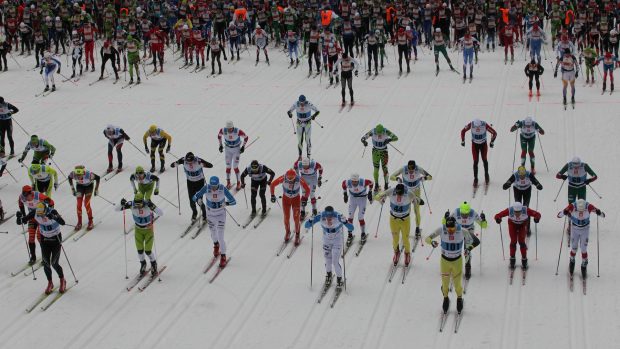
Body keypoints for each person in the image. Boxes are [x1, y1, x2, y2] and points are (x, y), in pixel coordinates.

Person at [17, 203, 67, 294]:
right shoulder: (35, 213)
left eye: (42, 213)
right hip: (45, 241)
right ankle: (50, 283)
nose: (40, 215)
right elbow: (22, 221)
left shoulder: (52, 211)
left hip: (56, 240)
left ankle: (62, 280)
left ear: (46, 210)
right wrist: (19, 218)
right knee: (46, 263)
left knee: (54, 263)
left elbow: (63, 222)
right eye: (39, 214)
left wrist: (54, 217)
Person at [425, 216, 469, 314]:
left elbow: (474, 241)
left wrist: (467, 249)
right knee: (445, 285)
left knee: (457, 285)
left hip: (457, 261)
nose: (450, 230)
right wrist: (432, 242)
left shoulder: (462, 230)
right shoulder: (441, 229)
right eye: (448, 228)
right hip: (444, 261)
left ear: (455, 225)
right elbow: (427, 239)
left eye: (452, 228)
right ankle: (445, 298)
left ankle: (459, 299)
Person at [304, 206, 354, 290]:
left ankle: (339, 278)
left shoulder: (338, 216)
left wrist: (345, 221)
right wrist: (310, 220)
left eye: (330, 217)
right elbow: (306, 225)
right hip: (326, 241)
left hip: (337, 241)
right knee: (327, 260)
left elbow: (351, 228)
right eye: (327, 217)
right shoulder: (320, 216)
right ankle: (329, 275)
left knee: (335, 261)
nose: (329, 219)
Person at [192, 176, 236, 267]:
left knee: (220, 237)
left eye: (215, 186)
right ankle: (216, 245)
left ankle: (223, 256)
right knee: (213, 234)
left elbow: (233, 201)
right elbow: (194, 196)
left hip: (220, 215)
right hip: (210, 214)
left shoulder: (222, 188)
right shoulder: (206, 187)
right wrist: (198, 199)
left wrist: (226, 203)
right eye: (212, 186)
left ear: (218, 184)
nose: (213, 188)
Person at [116, 193, 163, 277]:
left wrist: (153, 206)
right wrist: (121, 203)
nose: (138, 206)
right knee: (140, 250)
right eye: (136, 204)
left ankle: (153, 263)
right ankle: (143, 264)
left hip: (148, 230)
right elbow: (116, 209)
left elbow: (161, 213)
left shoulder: (147, 205)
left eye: (139, 204)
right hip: (138, 230)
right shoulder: (131, 204)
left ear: (143, 201)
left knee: (148, 250)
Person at [557, 199, 605, 277]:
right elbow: (559, 215)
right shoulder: (572, 206)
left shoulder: (589, 206)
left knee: (583, 248)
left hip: (585, 230)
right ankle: (572, 260)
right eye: (579, 211)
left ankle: (584, 264)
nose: (581, 212)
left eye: (583, 210)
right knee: (574, 247)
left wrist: (599, 212)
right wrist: (564, 212)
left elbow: (602, 214)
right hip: (575, 229)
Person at [375, 183, 418, 267]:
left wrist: (415, 201)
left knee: (405, 239)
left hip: (405, 220)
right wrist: (381, 199)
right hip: (393, 219)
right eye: (398, 193)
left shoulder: (409, 193)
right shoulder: (391, 191)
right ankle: (396, 252)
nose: (399, 195)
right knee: (395, 239)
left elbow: (416, 200)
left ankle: (407, 254)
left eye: (401, 194)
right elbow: (377, 196)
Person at [389, 160, 432, 237]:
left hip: (416, 191)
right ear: (408, 167)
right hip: (406, 193)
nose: (411, 171)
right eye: (410, 169)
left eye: (413, 169)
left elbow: (430, 177)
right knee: (407, 211)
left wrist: (424, 178)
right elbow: (391, 176)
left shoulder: (418, 168)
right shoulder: (403, 169)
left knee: (416, 210)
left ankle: (417, 228)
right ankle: (406, 228)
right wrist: (397, 179)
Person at [444, 202, 486, 279]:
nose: (464, 216)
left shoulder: (473, 213)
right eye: (463, 214)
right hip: (458, 231)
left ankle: (467, 266)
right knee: (454, 248)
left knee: (467, 249)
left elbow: (483, 225)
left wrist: (483, 219)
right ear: (460, 211)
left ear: (469, 211)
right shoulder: (456, 212)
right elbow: (445, 223)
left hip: (469, 231)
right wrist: (446, 217)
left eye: (466, 214)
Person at [494, 202, 541, 270]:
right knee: (513, 241)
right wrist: (498, 219)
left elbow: (537, 214)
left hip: (523, 225)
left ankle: (524, 259)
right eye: (515, 212)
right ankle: (512, 259)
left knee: (521, 242)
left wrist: (537, 218)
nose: (517, 214)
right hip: (512, 225)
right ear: (513, 210)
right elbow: (498, 215)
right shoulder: (510, 210)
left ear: (522, 209)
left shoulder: (526, 210)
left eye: (519, 212)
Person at [270, 169, 310, 246]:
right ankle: (287, 232)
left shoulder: (299, 179)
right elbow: (272, 185)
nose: (291, 180)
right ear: (287, 176)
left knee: (296, 218)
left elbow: (307, 189)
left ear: (295, 176)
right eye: (289, 178)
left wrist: (305, 198)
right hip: (286, 200)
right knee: (286, 217)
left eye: (292, 178)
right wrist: (272, 195)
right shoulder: (283, 178)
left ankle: (297, 234)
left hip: (296, 200)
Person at [171, 152, 213, 222]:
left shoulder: (198, 160)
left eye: (191, 161)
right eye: (188, 161)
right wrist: (175, 164)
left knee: (199, 201)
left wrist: (203, 164)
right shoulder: (183, 160)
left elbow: (210, 165)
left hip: (199, 182)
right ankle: (194, 213)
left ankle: (205, 214)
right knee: (191, 201)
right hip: (190, 183)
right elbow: (172, 165)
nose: (189, 163)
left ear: (193, 159)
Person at [18, 186, 54, 265]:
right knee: (31, 238)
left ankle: (45, 257)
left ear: (31, 193)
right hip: (32, 218)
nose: (26, 198)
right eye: (24, 195)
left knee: (39, 238)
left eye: (27, 196)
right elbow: (20, 204)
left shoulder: (38, 196)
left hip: (42, 218)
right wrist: (24, 215)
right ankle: (33, 257)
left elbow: (51, 202)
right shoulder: (22, 197)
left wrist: (50, 212)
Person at [361, 124, 399, 192]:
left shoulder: (386, 131)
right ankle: (376, 185)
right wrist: (364, 142)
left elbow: (396, 138)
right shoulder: (372, 131)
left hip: (384, 152)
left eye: (380, 133)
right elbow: (363, 138)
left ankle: (386, 185)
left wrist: (389, 140)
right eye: (377, 133)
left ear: (382, 130)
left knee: (385, 169)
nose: (379, 134)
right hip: (375, 152)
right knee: (376, 169)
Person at [460, 119, 497, 186]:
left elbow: (494, 133)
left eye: (479, 127)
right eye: (476, 127)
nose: (477, 128)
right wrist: (463, 140)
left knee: (484, 160)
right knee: (475, 161)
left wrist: (492, 142)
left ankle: (486, 175)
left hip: (483, 145)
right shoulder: (471, 124)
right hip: (475, 145)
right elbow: (463, 131)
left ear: (481, 124)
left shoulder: (484, 125)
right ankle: (475, 179)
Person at [342, 173, 373, 244]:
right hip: (353, 199)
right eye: (353, 181)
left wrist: (370, 192)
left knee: (360, 217)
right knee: (350, 216)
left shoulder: (363, 182)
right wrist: (345, 194)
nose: (354, 182)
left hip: (362, 199)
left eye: (356, 181)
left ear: (358, 180)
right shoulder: (348, 182)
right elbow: (343, 184)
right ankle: (350, 234)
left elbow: (371, 182)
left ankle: (363, 233)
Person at [67, 165, 100, 230]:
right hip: (79, 187)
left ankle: (90, 222)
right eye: (77, 175)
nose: (78, 176)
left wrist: (96, 189)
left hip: (89, 187)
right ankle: (79, 222)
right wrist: (72, 188)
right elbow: (69, 177)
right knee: (79, 204)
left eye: (80, 175)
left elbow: (98, 178)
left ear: (83, 173)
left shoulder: (89, 175)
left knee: (86, 204)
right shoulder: (73, 174)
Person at [218, 121, 248, 190]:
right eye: (228, 128)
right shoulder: (223, 130)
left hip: (236, 149)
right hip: (228, 149)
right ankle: (228, 182)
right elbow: (219, 136)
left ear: (233, 127)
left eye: (230, 128)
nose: (229, 130)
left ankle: (238, 182)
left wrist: (243, 146)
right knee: (228, 166)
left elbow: (246, 137)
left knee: (235, 166)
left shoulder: (238, 131)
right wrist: (220, 145)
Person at [287, 95, 320, 159]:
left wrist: (314, 116)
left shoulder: (309, 104)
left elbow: (318, 111)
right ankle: (300, 156)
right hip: (299, 124)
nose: (302, 104)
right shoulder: (296, 104)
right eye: (300, 103)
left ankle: (308, 156)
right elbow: (289, 111)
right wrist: (289, 114)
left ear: (305, 101)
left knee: (307, 139)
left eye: (303, 103)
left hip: (307, 124)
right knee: (300, 140)